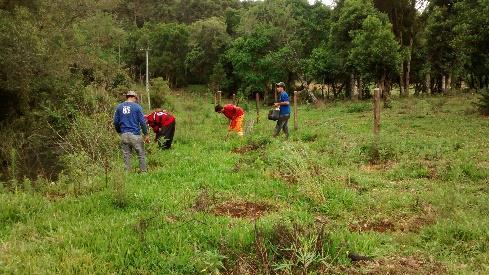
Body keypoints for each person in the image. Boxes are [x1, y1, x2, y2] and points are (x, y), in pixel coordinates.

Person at [113, 91, 150, 172]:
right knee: (141, 154)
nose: (136, 100)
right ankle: (143, 172)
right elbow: (143, 122)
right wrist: (146, 134)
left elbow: (115, 122)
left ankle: (127, 173)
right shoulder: (137, 107)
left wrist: (119, 131)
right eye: (136, 98)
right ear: (133, 97)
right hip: (135, 134)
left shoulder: (119, 107)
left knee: (126, 155)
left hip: (124, 135)